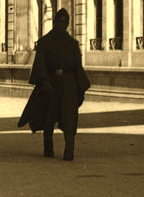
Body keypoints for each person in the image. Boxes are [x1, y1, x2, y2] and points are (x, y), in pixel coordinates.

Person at [18, 8, 90, 161]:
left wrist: (80, 87)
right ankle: (48, 147)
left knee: (69, 116)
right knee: (49, 116)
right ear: (55, 22)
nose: (62, 26)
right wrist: (44, 81)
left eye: (65, 23)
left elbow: (78, 66)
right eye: (60, 22)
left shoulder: (72, 44)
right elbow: (40, 64)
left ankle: (69, 150)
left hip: (69, 83)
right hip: (51, 82)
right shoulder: (45, 42)